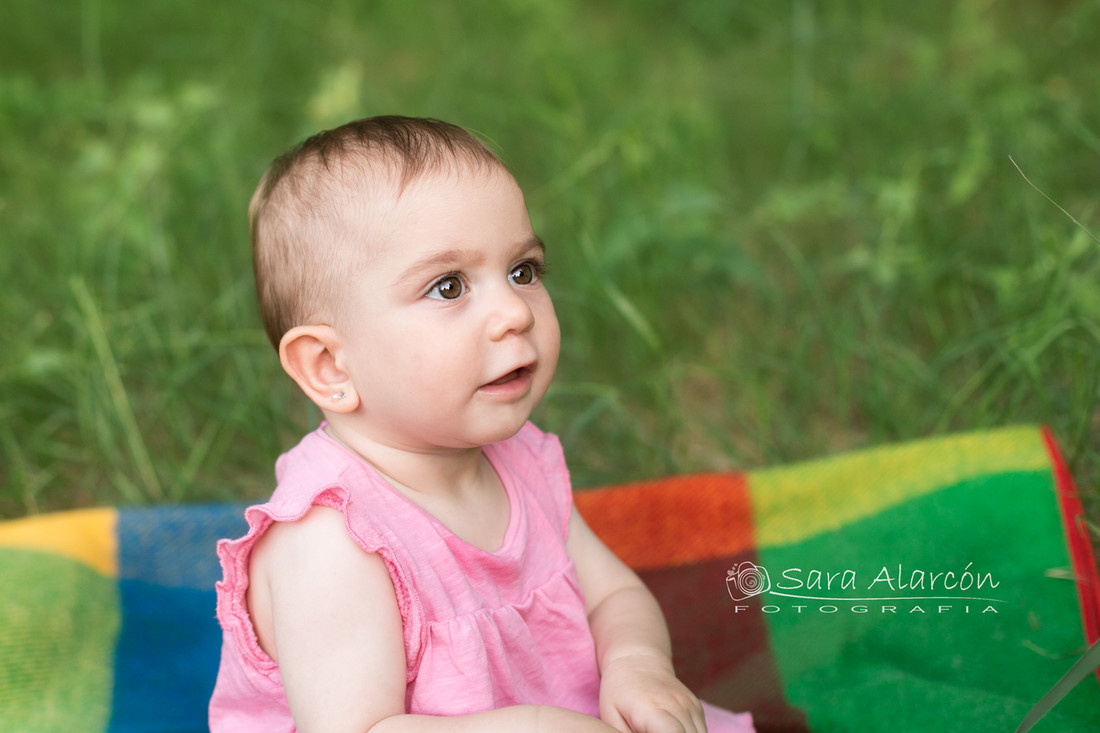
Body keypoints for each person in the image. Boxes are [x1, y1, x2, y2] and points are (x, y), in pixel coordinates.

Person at [209, 115, 754, 733]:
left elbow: (614, 597)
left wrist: (637, 665)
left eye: (523, 271)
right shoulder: (330, 541)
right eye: (448, 286)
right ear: (331, 364)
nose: (512, 313)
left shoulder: (521, 460)